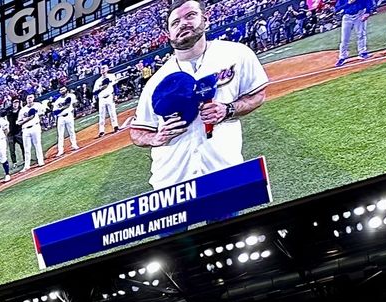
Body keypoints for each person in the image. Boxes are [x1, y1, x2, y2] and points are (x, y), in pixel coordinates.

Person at [128, 0, 268, 190]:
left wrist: (228, 109)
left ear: (205, 19)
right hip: (171, 184)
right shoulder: (157, 80)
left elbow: (258, 94)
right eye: (175, 22)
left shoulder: (236, 54)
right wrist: (155, 138)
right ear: (168, 34)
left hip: (223, 171)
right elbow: (137, 132)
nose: (183, 24)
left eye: (190, 16)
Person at [94, 66, 120, 135]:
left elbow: (115, 86)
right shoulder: (98, 81)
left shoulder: (112, 76)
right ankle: (101, 131)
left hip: (110, 96)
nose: (102, 70)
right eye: (101, 69)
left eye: (104, 68)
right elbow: (94, 92)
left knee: (112, 112)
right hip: (102, 99)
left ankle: (115, 126)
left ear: (107, 69)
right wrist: (101, 88)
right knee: (101, 115)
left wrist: (116, 95)